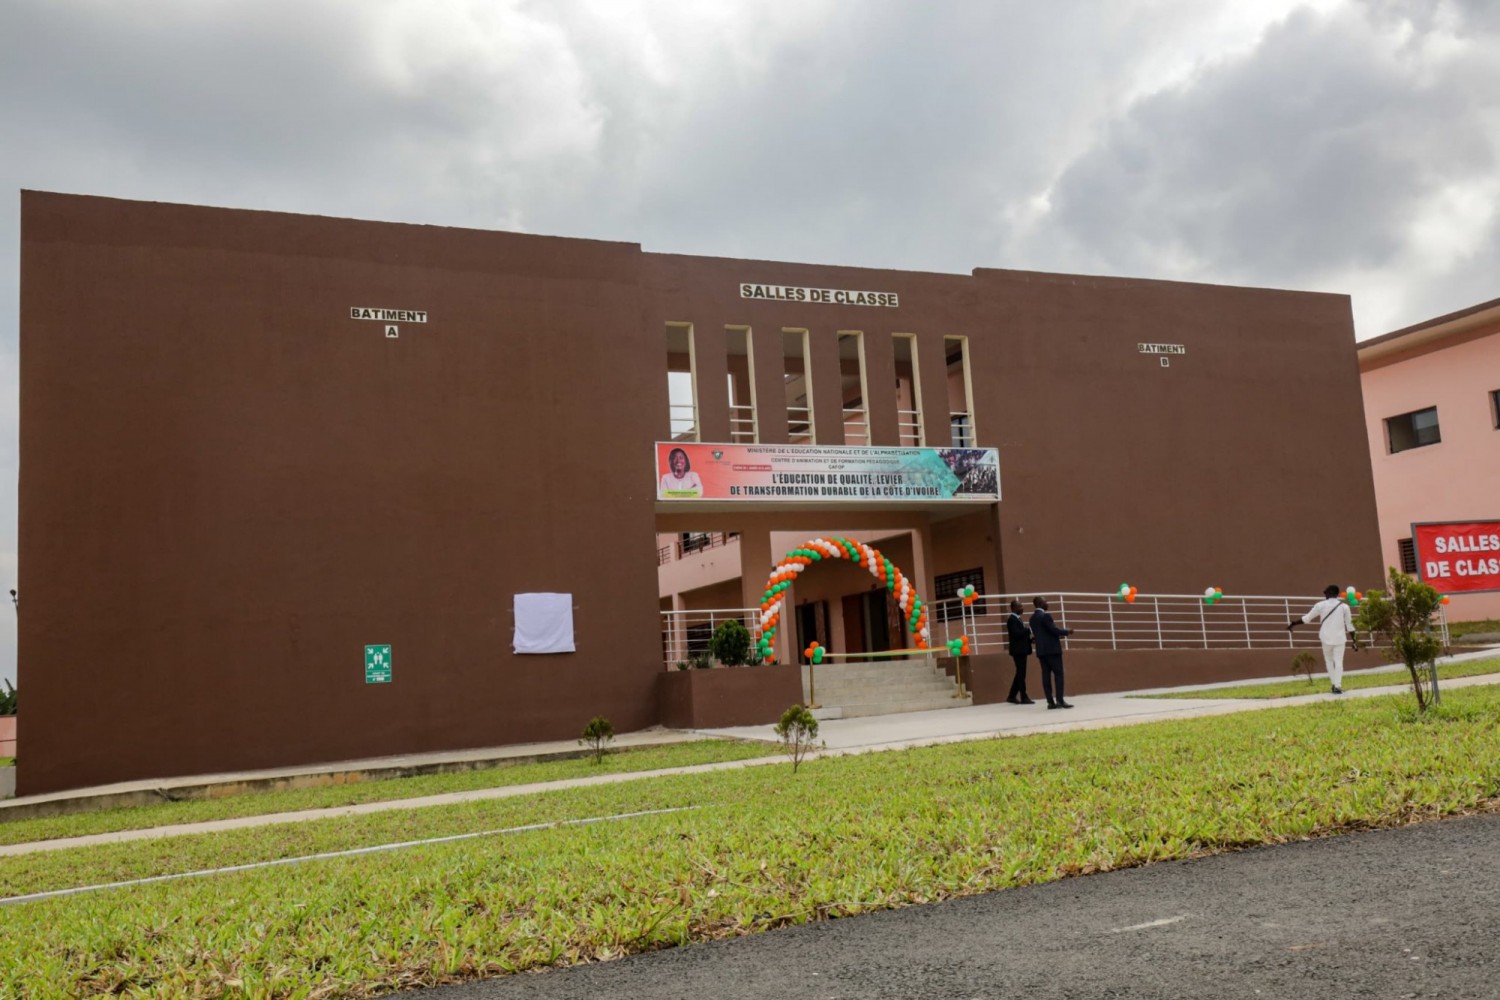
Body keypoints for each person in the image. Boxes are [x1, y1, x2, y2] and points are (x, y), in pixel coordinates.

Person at [1288, 585, 1360, 694]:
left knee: (1329, 661)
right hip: (1339, 638)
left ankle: (1334, 685)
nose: (1324, 593)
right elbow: (1350, 626)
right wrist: (1354, 641)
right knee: (1338, 662)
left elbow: (1307, 619)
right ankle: (1337, 685)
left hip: (1325, 638)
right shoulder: (1344, 607)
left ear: (1330, 592)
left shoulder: (1320, 605)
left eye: (1325, 591)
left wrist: (1293, 623)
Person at [1029, 596, 1074, 709]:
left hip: (1041, 651)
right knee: (1059, 674)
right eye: (1046, 602)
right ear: (1040, 604)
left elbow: (1043, 633)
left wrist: (1057, 635)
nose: (1047, 604)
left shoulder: (1032, 618)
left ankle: (1050, 702)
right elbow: (1053, 630)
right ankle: (1060, 700)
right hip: (1052, 650)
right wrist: (1067, 631)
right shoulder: (1045, 616)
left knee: (1046, 675)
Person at [1004, 599, 1035, 704]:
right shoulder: (1011, 620)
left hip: (1021, 650)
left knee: (1020, 674)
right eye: (1020, 606)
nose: (1022, 608)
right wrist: (1029, 630)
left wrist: (1030, 640)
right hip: (1018, 651)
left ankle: (1012, 696)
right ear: (1013, 608)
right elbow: (1016, 634)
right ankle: (1024, 697)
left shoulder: (1018, 619)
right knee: (1021, 674)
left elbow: (1020, 636)